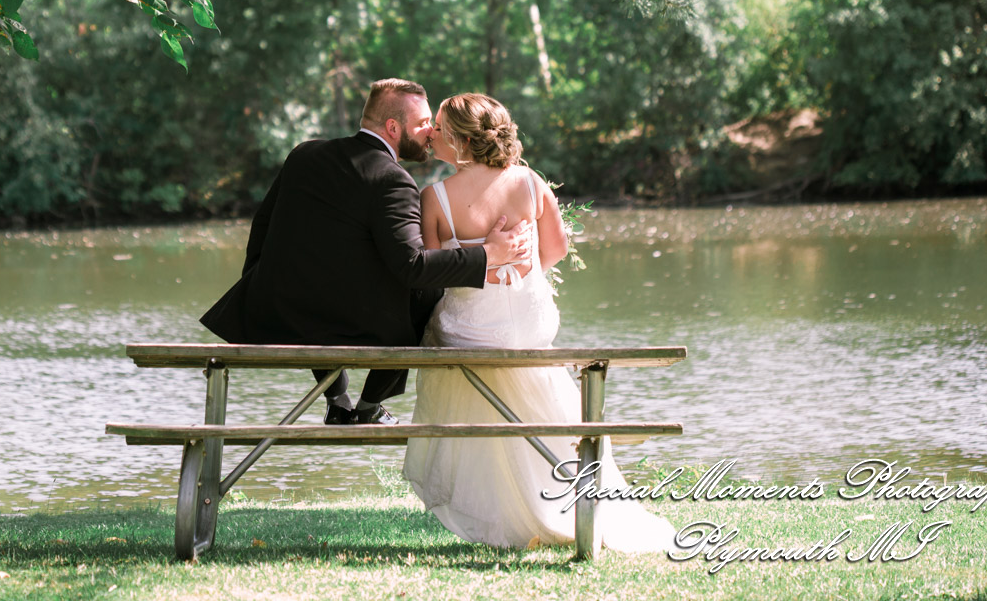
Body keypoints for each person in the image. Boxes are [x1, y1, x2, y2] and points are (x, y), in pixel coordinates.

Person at [402, 93, 675, 551]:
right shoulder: (528, 182)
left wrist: (482, 269)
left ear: (461, 141)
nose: (432, 136)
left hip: (470, 333)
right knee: (538, 381)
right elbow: (557, 250)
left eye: (441, 130)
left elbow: (433, 274)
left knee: (442, 331)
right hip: (530, 324)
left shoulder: (434, 197)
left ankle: (502, 510)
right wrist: (513, 277)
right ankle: (569, 495)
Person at [199, 79, 532, 425]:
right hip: (346, 325)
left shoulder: (304, 154)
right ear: (392, 127)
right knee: (429, 292)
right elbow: (413, 268)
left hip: (276, 314)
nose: (430, 132)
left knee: (324, 279)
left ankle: (337, 400)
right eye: (422, 124)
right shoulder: (392, 178)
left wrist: (257, 282)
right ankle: (370, 405)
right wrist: (490, 254)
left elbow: (263, 226)